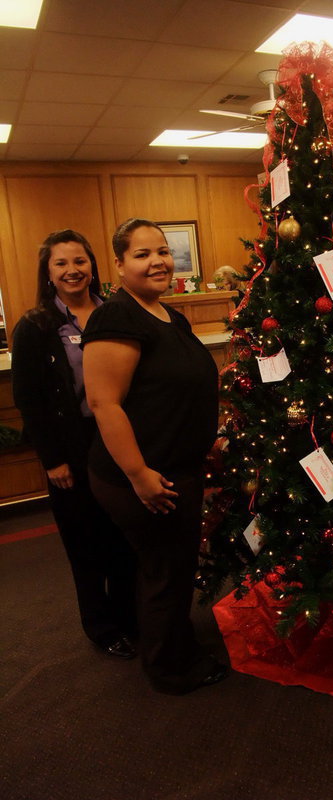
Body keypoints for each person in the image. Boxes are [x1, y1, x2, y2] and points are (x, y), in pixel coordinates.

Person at [82, 218, 226, 694]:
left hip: (175, 467)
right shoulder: (116, 317)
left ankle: (174, 644)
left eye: (162, 251)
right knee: (167, 569)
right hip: (141, 476)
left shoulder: (167, 314)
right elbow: (105, 403)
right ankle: (168, 667)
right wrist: (140, 474)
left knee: (174, 565)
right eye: (142, 254)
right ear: (119, 265)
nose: (157, 261)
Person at [11, 230, 137, 659]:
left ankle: (128, 617)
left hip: (117, 438)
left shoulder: (116, 313)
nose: (72, 271)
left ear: (93, 266)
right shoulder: (36, 326)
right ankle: (100, 626)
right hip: (71, 446)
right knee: (85, 542)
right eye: (61, 263)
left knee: (123, 532)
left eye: (79, 261)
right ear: (48, 273)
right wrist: (53, 460)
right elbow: (29, 400)